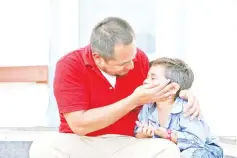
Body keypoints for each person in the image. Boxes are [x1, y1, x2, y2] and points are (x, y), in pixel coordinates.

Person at [30, 17, 201, 158]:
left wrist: (184, 92)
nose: (132, 67)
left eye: (133, 58)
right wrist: (133, 100)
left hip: (127, 144)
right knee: (42, 147)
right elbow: (80, 125)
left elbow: (162, 82)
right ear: (98, 58)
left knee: (167, 150)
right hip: (81, 142)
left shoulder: (138, 59)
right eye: (123, 64)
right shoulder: (70, 66)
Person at [135, 57, 223, 158]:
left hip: (203, 148)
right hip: (171, 149)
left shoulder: (187, 107)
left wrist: (169, 135)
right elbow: (138, 131)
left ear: (172, 88)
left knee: (189, 155)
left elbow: (197, 140)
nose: (146, 81)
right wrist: (143, 134)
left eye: (153, 78)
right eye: (147, 76)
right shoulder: (148, 107)